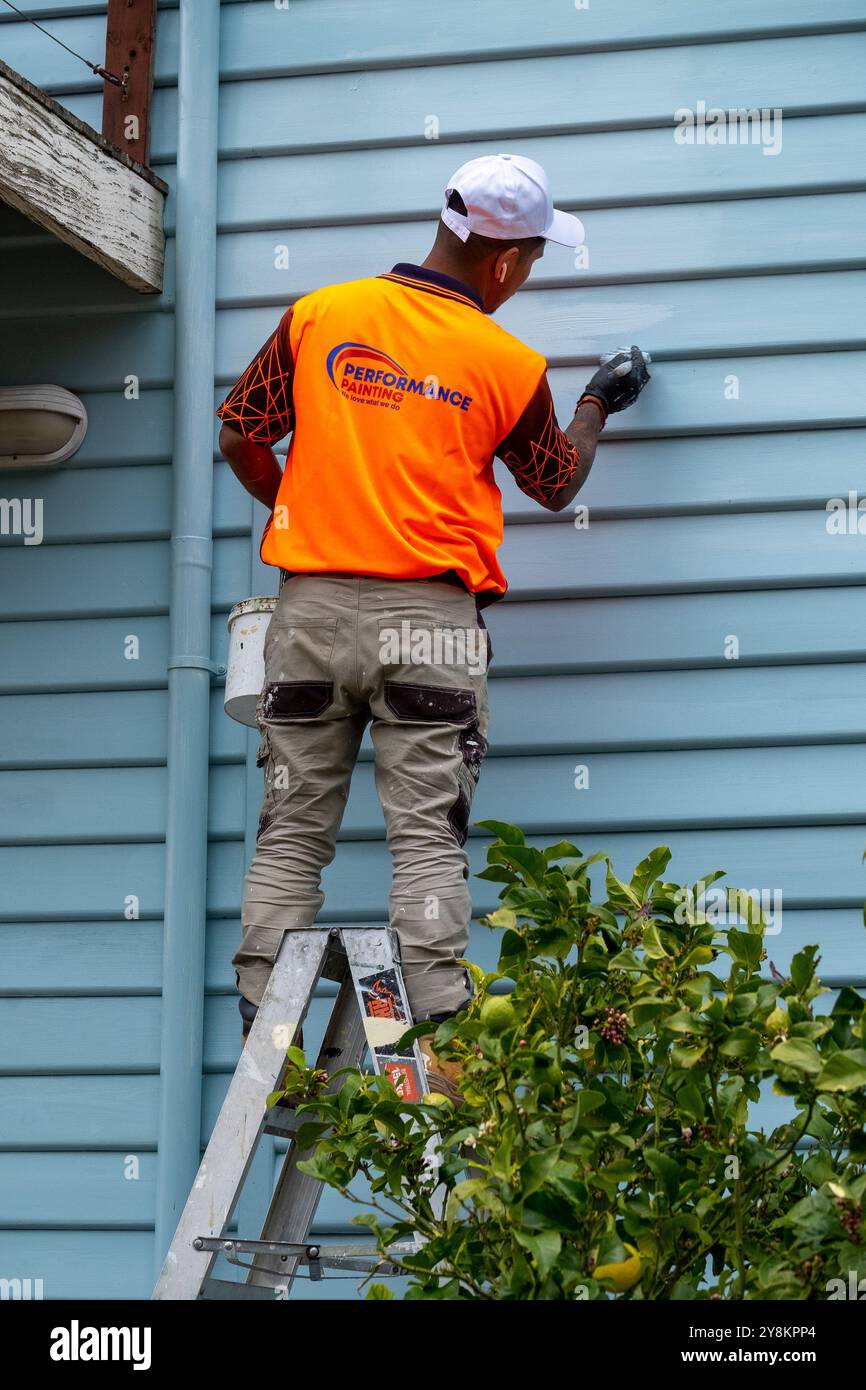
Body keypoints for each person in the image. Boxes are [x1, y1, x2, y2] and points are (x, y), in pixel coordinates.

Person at [217, 152, 651, 1098]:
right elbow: (553, 482)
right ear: (503, 262)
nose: (524, 278)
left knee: (291, 833)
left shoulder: (321, 316)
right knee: (426, 841)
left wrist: (305, 501)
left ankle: (268, 1037)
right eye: (531, 261)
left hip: (311, 615)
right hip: (433, 627)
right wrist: (595, 403)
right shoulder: (504, 361)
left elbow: (241, 432)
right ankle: (445, 1053)